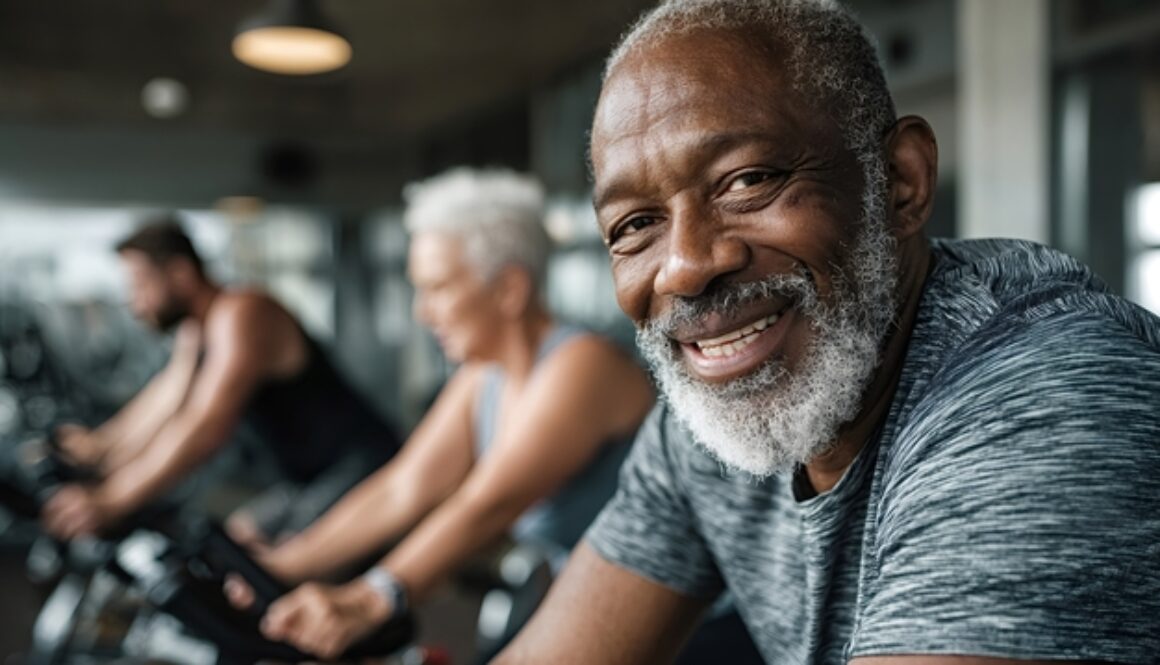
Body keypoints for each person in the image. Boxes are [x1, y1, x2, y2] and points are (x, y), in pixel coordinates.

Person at [494, 1, 1160, 664]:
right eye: (634, 224)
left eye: (748, 180)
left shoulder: (1046, 398)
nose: (687, 266)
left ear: (900, 181)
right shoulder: (722, 419)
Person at [223, 168, 655, 660]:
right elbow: (404, 486)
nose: (422, 313)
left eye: (438, 287)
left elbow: (487, 503)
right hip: (593, 602)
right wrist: (284, 565)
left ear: (509, 288)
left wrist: (370, 598)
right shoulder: (484, 376)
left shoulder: (582, 366)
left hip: (692, 622)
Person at [41, 218, 402, 542]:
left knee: (262, 568)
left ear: (181, 274)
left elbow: (204, 424)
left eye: (140, 284)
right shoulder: (196, 332)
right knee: (231, 545)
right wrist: (103, 452)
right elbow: (165, 404)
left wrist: (114, 499)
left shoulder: (243, 312)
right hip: (304, 477)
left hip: (359, 467)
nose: (135, 303)